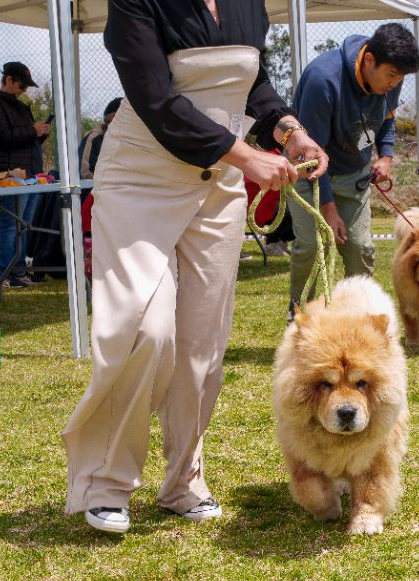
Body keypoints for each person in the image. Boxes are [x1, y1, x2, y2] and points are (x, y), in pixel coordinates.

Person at [62, 0, 328, 534]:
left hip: (218, 187)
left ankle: (184, 480)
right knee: (146, 329)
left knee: (203, 343)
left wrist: (288, 131)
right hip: (140, 177)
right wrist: (248, 158)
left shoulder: (247, 6)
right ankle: (106, 483)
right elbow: (157, 102)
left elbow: (253, 87)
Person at [285, 23, 419, 314]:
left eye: (401, 78)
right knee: (311, 248)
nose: (395, 84)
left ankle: (359, 317)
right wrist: (329, 209)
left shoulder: (388, 80)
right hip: (310, 174)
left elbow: (387, 120)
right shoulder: (323, 80)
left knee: (360, 249)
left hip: (354, 178)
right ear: (369, 59)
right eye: (392, 75)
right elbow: (310, 159)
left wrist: (385, 156)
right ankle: (298, 317)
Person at [0, 61, 51, 288]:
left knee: (23, 225)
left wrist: (39, 135)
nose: (24, 90)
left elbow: (21, 139)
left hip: (28, 175)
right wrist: (32, 130)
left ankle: (18, 271)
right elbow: (0, 137)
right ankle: (5, 274)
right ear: (8, 79)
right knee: (10, 224)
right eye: (21, 84)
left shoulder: (17, 106)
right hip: (8, 175)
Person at [78, 96, 121, 182]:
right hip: (100, 191)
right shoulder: (95, 138)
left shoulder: (131, 139)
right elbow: (85, 173)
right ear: (114, 117)